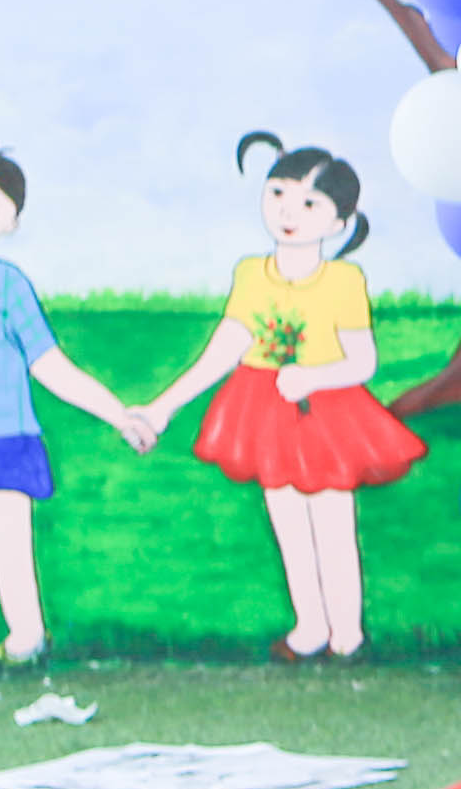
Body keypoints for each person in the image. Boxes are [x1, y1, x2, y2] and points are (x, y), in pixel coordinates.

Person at [140, 129, 427, 659]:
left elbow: (363, 361)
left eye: (310, 204)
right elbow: (225, 348)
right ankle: (309, 626)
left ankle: (347, 632)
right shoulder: (252, 274)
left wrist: (313, 378)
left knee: (333, 523)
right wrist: (162, 408)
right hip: (262, 406)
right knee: (288, 523)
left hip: (326, 410)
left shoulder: (343, 281)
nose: (287, 212)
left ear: (338, 223)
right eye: (277, 194)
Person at [0, 141, 150, 670]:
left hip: (2, 437)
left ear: (12, 222)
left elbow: (49, 364)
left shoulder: (10, 287)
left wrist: (117, 414)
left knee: (9, 545)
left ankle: (26, 641)